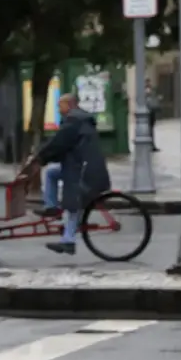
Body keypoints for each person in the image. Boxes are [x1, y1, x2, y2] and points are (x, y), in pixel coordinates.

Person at [21, 93, 111, 255]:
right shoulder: (79, 120)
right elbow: (63, 146)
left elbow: (58, 143)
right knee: (52, 174)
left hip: (83, 170)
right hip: (81, 166)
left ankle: (68, 241)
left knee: (73, 203)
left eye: (60, 105)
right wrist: (43, 159)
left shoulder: (74, 121)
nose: (58, 109)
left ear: (69, 105)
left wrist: (39, 158)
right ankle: (51, 207)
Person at [145, 79, 160, 152]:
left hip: (151, 112)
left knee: (151, 129)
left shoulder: (151, 90)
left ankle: (152, 145)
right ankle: (150, 145)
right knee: (149, 130)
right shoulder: (146, 90)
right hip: (148, 112)